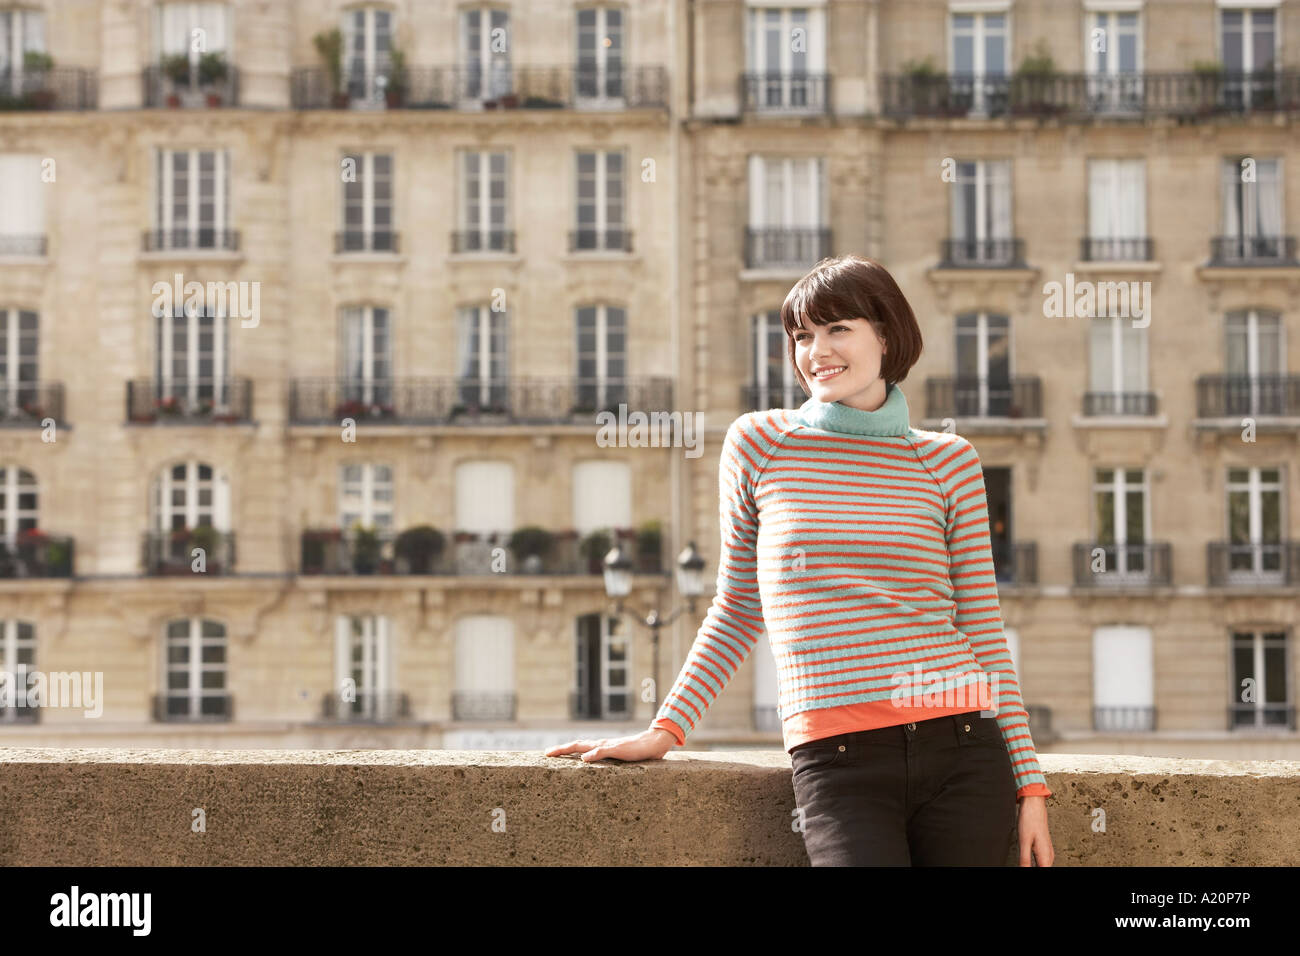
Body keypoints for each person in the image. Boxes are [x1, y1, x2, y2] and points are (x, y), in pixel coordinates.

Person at [546, 254, 1054, 867]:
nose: (817, 351)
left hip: (964, 746)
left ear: (885, 335)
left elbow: (982, 627)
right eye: (803, 335)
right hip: (837, 757)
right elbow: (738, 606)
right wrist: (666, 729)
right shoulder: (760, 443)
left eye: (839, 328)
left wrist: (1029, 786)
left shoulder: (949, 461)